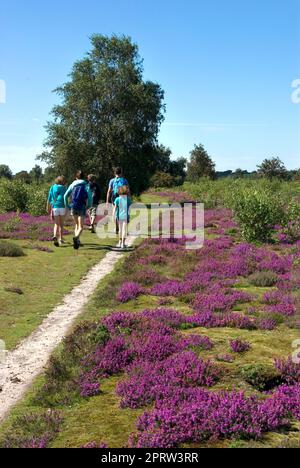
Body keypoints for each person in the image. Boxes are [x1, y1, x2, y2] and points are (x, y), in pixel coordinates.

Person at [64, 170, 92, 250]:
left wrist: (67, 206)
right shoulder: (86, 185)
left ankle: (77, 241)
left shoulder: (72, 184)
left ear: (76, 177)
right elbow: (89, 197)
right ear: (83, 177)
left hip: (73, 206)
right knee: (81, 227)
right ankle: (76, 238)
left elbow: (65, 195)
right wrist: (89, 205)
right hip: (82, 207)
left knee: (76, 225)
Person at [106, 167, 130, 234]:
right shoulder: (125, 180)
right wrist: (129, 199)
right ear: (121, 172)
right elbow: (128, 191)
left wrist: (107, 201)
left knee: (115, 213)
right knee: (122, 212)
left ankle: (117, 228)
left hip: (114, 197)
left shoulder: (112, 181)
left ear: (115, 173)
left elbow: (109, 191)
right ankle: (122, 228)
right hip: (123, 197)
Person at [47, 176, 67, 247]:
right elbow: (66, 197)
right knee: (61, 224)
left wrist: (48, 207)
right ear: (63, 182)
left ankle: (55, 235)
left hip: (55, 207)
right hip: (62, 207)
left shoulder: (52, 187)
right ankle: (60, 239)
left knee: (56, 224)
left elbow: (49, 198)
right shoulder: (64, 188)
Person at [113, 185, 132, 249]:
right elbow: (130, 209)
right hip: (126, 216)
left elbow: (114, 209)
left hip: (119, 216)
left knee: (120, 230)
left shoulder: (117, 199)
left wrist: (113, 215)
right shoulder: (128, 199)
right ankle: (123, 244)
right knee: (124, 230)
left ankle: (119, 242)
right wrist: (129, 216)